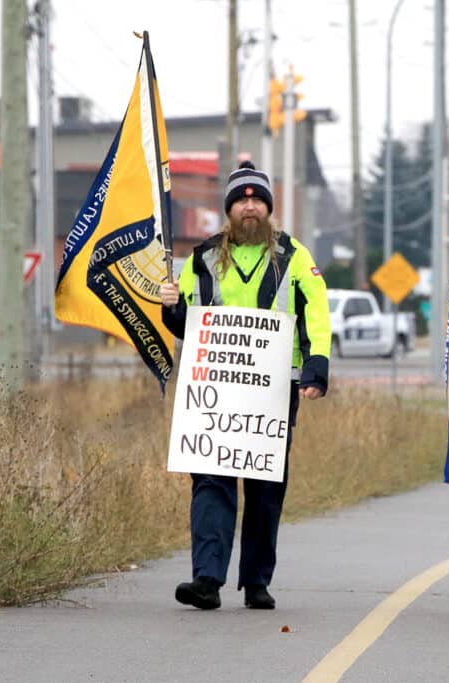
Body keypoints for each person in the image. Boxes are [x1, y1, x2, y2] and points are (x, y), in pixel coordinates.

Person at [160, 160, 331, 610]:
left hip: (273, 390)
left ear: (269, 208)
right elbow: (186, 320)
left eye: (257, 198)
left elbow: (315, 310)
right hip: (214, 390)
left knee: (264, 486)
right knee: (211, 482)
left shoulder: (294, 257)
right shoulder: (202, 258)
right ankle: (207, 580)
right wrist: (170, 308)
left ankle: (256, 581)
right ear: (230, 210)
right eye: (241, 199)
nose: (249, 206)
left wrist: (316, 365)